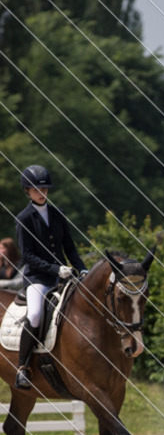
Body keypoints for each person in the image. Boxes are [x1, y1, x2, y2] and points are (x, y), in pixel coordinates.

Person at [14, 164, 87, 389]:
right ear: (27, 190)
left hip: (63, 277)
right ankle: (23, 367)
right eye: (37, 189)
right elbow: (27, 256)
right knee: (35, 314)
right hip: (38, 279)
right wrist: (56, 269)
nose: (42, 192)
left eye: (45, 188)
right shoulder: (24, 218)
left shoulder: (58, 214)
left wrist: (82, 268)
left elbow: (70, 248)